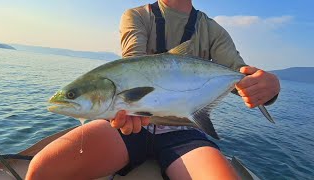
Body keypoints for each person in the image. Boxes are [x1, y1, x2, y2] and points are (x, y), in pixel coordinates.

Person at [25, 0, 280, 179]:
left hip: (185, 130)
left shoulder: (213, 31)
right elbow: (133, 62)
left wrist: (268, 88)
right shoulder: (137, 15)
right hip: (126, 125)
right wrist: (130, 109)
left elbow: (241, 75)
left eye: (72, 95)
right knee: (43, 171)